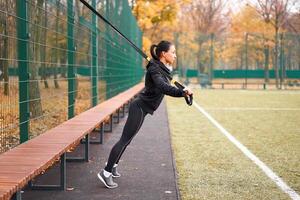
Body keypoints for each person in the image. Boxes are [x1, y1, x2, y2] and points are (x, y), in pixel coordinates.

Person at [97, 40, 193, 189]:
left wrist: (183, 90)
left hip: (144, 108)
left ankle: (113, 165)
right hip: (140, 107)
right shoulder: (155, 69)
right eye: (172, 52)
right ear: (163, 54)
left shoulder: (161, 68)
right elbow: (163, 87)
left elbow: (168, 82)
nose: (175, 55)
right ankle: (106, 172)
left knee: (127, 140)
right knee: (124, 139)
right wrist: (181, 93)